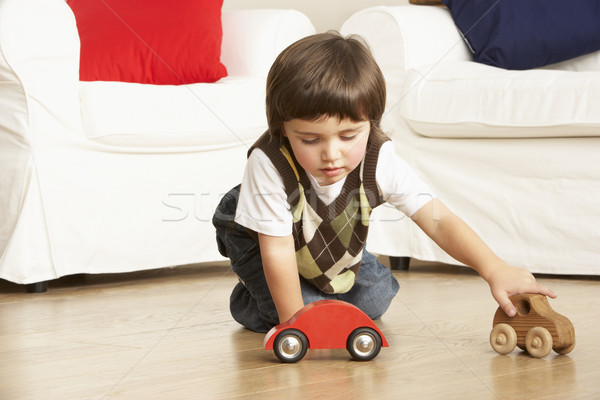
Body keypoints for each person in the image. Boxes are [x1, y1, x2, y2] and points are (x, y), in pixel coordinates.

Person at [212, 32, 556, 333]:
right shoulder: (268, 164)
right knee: (302, 309)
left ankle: (324, 270)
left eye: (348, 136)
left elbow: (440, 220)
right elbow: (278, 250)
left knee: (374, 302)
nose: (332, 154)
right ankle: (252, 299)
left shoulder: (381, 159)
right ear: (283, 129)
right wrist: (298, 325)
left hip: (325, 231)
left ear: (371, 123)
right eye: (310, 140)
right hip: (262, 239)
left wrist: (493, 267)